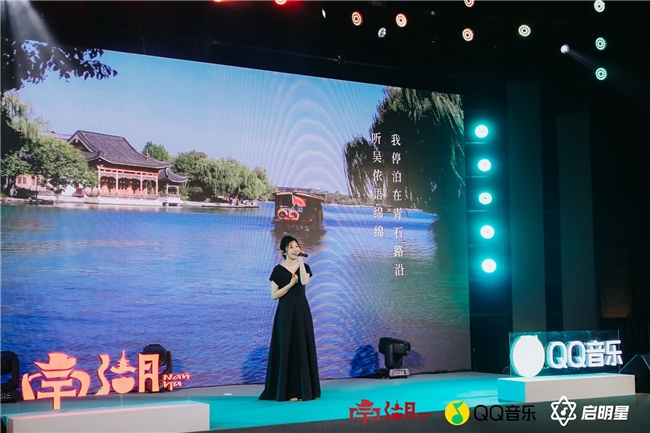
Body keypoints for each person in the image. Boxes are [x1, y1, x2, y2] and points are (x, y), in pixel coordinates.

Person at [259, 235, 321, 402]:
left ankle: (303, 390)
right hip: (285, 312)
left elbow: (305, 281)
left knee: (301, 346)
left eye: (297, 246)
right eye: (291, 247)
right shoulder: (278, 270)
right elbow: (274, 295)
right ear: (284, 250)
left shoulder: (304, 266)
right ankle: (287, 391)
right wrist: (290, 285)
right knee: (287, 347)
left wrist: (300, 262)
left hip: (301, 310)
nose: (295, 249)